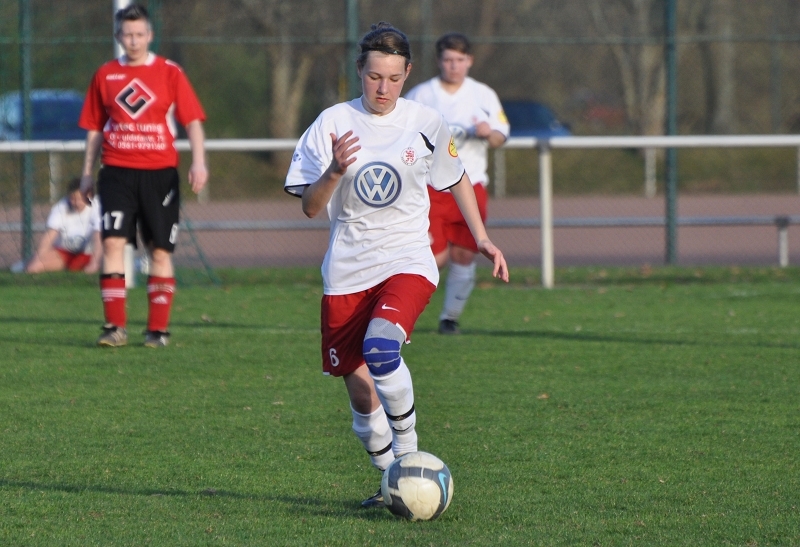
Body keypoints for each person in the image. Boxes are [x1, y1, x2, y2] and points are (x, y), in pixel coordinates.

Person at [284, 22, 509, 508]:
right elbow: (309, 207)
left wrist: (483, 238)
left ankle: (408, 455)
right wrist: (335, 171)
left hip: (407, 258)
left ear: (407, 73)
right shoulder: (331, 123)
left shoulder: (425, 121)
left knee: (382, 348)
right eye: (373, 77)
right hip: (346, 271)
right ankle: (391, 479)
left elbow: (457, 177)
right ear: (359, 71)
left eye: (392, 78)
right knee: (361, 395)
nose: (382, 88)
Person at [78, 3, 208, 348]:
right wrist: (86, 173)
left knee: (159, 251)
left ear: (149, 35)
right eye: (127, 35)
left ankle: (157, 331)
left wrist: (199, 162)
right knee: (111, 243)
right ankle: (114, 327)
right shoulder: (105, 74)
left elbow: (193, 120)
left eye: (139, 34)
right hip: (116, 172)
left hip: (159, 174)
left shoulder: (169, 72)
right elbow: (94, 128)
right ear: (118, 36)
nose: (133, 41)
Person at [405, 33, 509, 335]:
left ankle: (449, 319)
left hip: (470, 186)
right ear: (439, 61)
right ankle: (399, 312)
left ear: (469, 61)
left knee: (464, 254)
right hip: (431, 188)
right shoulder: (422, 94)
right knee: (431, 257)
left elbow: (500, 136)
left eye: (460, 60)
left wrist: (489, 133)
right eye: (448, 59)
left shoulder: (483, 95)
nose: (454, 66)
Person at [15, 177, 102, 274]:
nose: (76, 203)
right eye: (73, 199)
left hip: (90, 253)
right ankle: (24, 264)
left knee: (104, 261)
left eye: (80, 199)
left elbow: (98, 236)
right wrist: (37, 260)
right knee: (35, 267)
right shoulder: (61, 206)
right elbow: (50, 235)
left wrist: (94, 263)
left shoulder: (98, 206)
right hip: (65, 253)